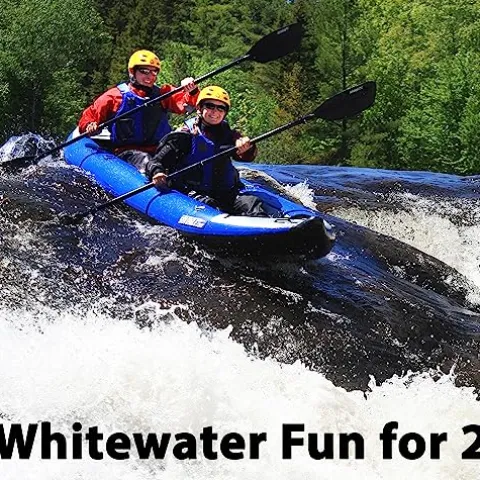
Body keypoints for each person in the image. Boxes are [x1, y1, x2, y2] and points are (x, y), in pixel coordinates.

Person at [145, 85, 269, 216]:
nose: (215, 112)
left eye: (221, 108)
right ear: (199, 108)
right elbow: (155, 161)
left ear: (225, 112)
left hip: (224, 193)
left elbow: (245, 157)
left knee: (252, 204)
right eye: (210, 106)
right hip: (190, 193)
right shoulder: (184, 136)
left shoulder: (229, 135)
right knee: (209, 205)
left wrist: (247, 148)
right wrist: (157, 172)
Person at [78, 49, 199, 171]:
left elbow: (188, 102)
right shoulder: (114, 97)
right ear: (132, 72)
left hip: (159, 150)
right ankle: (155, 173)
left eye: (154, 72)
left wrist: (192, 91)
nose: (149, 76)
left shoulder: (163, 93)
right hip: (127, 152)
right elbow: (89, 116)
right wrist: (90, 125)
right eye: (144, 71)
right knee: (145, 159)